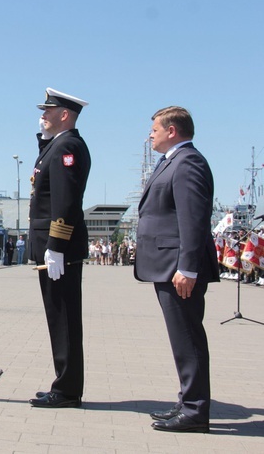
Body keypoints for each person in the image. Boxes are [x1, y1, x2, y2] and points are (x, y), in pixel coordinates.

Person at [134, 106, 217, 433]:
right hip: (166, 265)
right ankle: (187, 401)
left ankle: (196, 411)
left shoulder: (188, 163)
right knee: (181, 338)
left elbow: (193, 219)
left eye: (155, 128)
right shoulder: (172, 162)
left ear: (172, 131)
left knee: (188, 337)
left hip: (178, 268)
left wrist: (188, 267)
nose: (150, 134)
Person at [28, 88, 90, 408]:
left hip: (59, 248)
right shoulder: (56, 145)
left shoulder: (68, 146)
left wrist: (55, 245)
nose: (43, 115)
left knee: (64, 318)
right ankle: (64, 383)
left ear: (64, 115)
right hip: (53, 247)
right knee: (58, 317)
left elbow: (65, 201)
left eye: (48, 111)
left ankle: (66, 390)